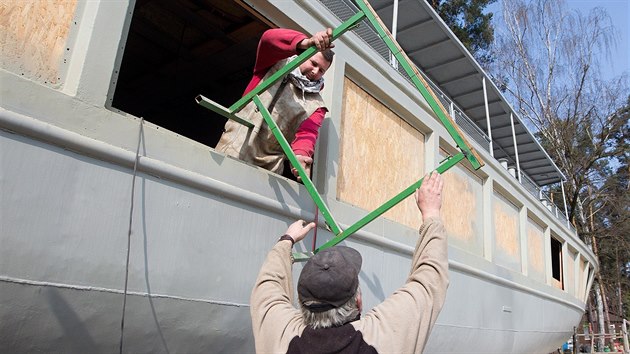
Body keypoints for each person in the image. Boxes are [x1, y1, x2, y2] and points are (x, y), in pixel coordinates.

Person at [251, 171, 448, 353]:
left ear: (301, 303)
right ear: (358, 302)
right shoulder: (380, 339)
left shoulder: (282, 336)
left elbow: (268, 287)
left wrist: (286, 241)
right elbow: (428, 280)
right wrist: (431, 215)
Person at [215, 27, 335, 180]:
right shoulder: (275, 63)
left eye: (321, 70)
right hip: (233, 147)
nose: (315, 71)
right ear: (305, 55)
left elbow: (307, 134)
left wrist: (301, 155)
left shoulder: (316, 105)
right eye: (313, 63)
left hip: (268, 170)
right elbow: (268, 38)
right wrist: (305, 42)